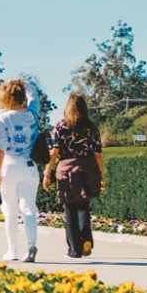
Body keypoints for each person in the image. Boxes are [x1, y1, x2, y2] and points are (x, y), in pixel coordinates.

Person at [44, 93, 105, 259]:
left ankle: (74, 249)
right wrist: (102, 175)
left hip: (67, 169)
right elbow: (98, 154)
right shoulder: (91, 127)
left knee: (70, 208)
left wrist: (47, 173)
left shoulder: (60, 126)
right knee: (84, 205)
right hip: (88, 167)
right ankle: (86, 239)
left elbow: (54, 153)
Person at [0, 79, 42, 263]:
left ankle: (12, 251)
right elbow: (34, 94)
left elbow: (0, 147)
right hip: (29, 165)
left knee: (10, 210)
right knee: (29, 207)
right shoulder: (33, 114)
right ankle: (31, 245)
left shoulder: (3, 118)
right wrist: (23, 82)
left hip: (9, 166)